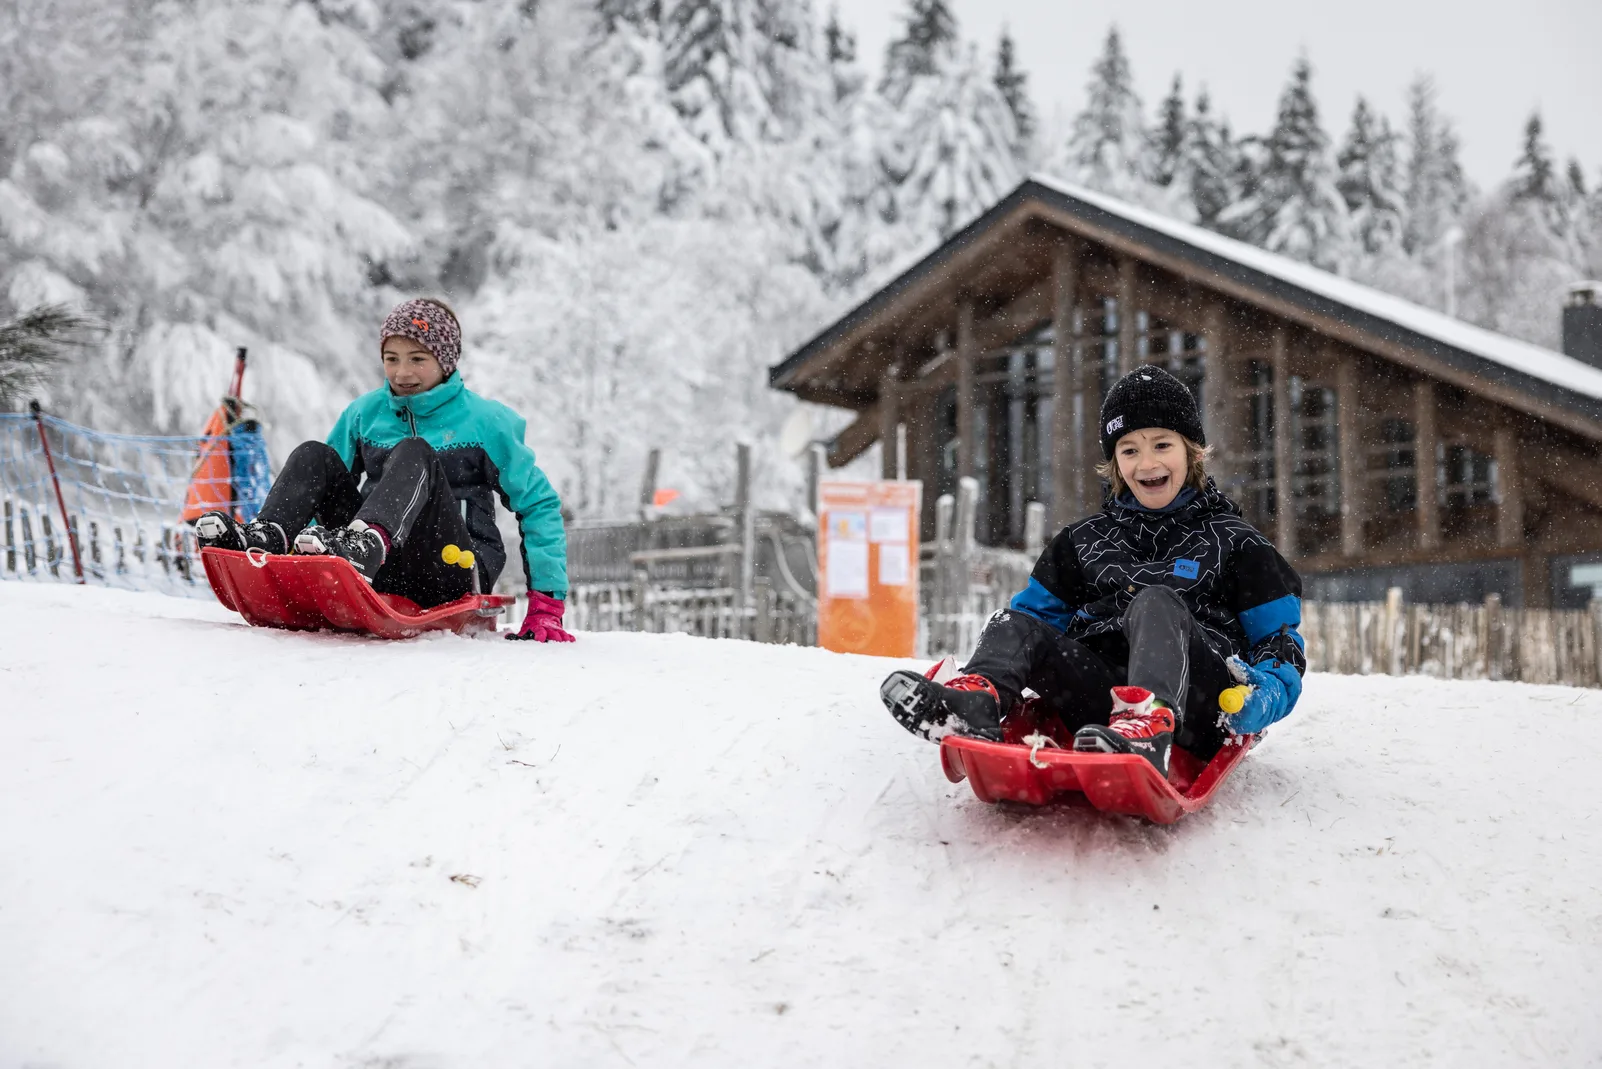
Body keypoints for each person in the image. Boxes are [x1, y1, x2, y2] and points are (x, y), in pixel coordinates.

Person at [879, 365, 1304, 776]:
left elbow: (1279, 641)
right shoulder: (1080, 542)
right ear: (1115, 463)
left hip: (1197, 704)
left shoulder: (1239, 543)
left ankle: (1146, 724)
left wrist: (1265, 692)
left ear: (1191, 451)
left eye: (1162, 445)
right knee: (1015, 621)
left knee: (1155, 601)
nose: (1146, 463)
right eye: (1130, 450)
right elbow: (1035, 625)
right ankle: (974, 705)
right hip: (1097, 700)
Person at [195, 297, 574, 643]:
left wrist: (547, 604)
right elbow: (322, 488)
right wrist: (308, 567)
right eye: (392, 358)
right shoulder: (365, 414)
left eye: (417, 359)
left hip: (453, 568)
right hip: (377, 568)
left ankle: (368, 541)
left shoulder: (486, 423)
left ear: (446, 361)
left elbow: (538, 505)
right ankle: (269, 537)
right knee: (314, 454)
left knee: (415, 453)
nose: (403, 372)